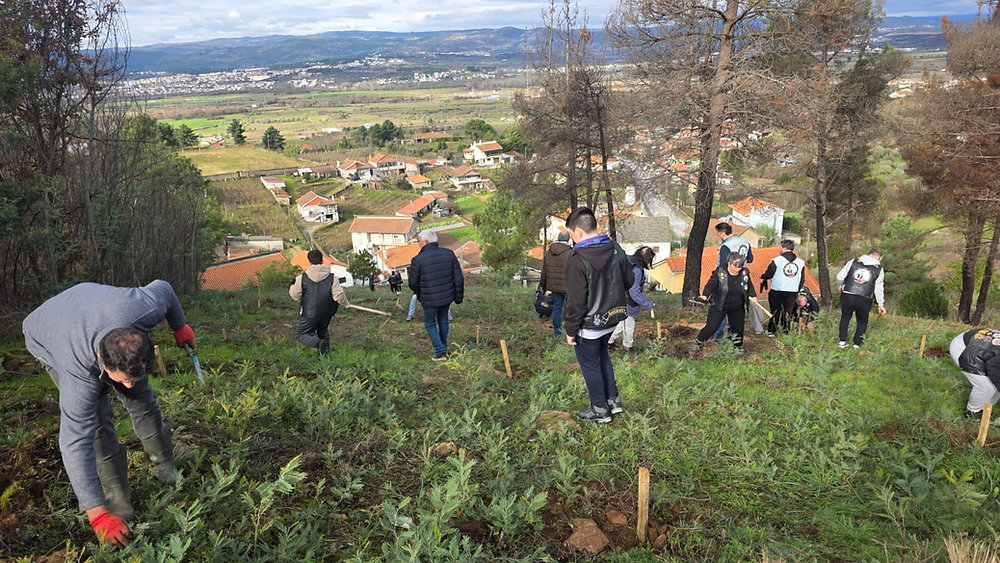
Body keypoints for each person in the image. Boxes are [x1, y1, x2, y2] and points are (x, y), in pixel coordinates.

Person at [21, 281, 195, 547]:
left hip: (94, 310)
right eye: (121, 379)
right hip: (47, 332)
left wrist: (179, 325)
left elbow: (166, 288)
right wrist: (97, 515)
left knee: (141, 397)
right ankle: (116, 499)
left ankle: (165, 466)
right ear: (103, 359)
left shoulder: (143, 308)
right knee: (98, 421)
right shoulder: (78, 372)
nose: (127, 385)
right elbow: (74, 442)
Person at [563, 207, 634, 423]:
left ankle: (600, 409)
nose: (572, 239)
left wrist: (570, 330)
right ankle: (613, 400)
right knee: (603, 356)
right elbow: (629, 280)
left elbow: (576, 301)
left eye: (571, 234)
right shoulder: (616, 249)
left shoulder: (577, 260)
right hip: (612, 318)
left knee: (590, 364)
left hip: (589, 324)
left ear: (578, 232)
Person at [408, 230, 464, 360]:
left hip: (429, 299)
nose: (418, 244)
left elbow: (413, 283)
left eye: (419, 242)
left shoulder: (418, 260)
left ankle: (440, 352)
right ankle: (443, 348)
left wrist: (421, 294)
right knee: (443, 320)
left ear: (425, 242)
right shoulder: (449, 254)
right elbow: (458, 278)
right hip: (446, 297)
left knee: (430, 324)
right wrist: (458, 297)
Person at [691, 253, 760, 355]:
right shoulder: (720, 272)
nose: (738, 269)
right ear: (729, 263)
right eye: (735, 267)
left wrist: (753, 296)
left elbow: (749, 286)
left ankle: (737, 348)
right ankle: (697, 343)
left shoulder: (744, 273)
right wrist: (705, 295)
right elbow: (711, 284)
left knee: (738, 328)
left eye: (740, 267)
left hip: (737, 306)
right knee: (712, 327)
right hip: (719, 305)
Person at [290, 249, 351, 355]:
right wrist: (346, 304)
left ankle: (318, 343)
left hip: (309, 312)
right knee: (323, 332)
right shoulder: (332, 278)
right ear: (322, 260)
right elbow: (339, 295)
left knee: (301, 335)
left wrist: (301, 297)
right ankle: (325, 356)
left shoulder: (301, 278)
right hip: (327, 313)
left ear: (309, 261)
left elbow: (294, 294)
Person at [835, 249, 886, 349]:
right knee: (862, 321)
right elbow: (878, 287)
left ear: (868, 254)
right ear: (880, 257)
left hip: (848, 294)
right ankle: (857, 344)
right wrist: (880, 303)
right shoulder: (879, 269)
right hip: (865, 297)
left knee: (845, 317)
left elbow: (840, 276)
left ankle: (842, 341)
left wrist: (840, 284)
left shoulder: (853, 262)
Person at [609, 246, 656, 352]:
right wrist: (648, 304)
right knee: (628, 324)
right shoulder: (637, 270)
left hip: (618, 297)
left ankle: (609, 341)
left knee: (620, 323)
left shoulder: (627, 261)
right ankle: (628, 347)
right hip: (628, 302)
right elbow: (634, 292)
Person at [713, 222, 754, 340]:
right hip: (742, 277)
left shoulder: (726, 246)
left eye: (718, 234)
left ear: (722, 233)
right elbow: (750, 259)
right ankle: (733, 335)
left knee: (721, 305)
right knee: (737, 308)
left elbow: (723, 265)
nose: (718, 236)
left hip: (727, 279)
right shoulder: (745, 242)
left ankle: (718, 335)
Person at [950, 328, 1000, 420]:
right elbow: (993, 367)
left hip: (981, 346)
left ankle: (985, 410)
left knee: (995, 387)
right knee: (986, 386)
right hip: (964, 347)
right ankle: (972, 413)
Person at [759, 239, 806, 336]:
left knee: (775, 310)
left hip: (777, 290)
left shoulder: (776, 261)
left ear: (784, 248)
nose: (779, 249)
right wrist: (797, 288)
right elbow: (802, 279)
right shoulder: (800, 262)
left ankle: (771, 330)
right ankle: (785, 331)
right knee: (788, 312)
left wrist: (762, 276)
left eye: (780, 247)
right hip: (792, 291)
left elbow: (770, 274)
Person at [540, 231, 573, 336]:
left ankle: (557, 332)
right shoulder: (571, 253)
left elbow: (544, 271)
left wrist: (543, 286)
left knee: (557, 307)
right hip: (569, 286)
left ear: (558, 238)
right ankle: (571, 332)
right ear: (568, 239)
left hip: (554, 287)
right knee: (572, 308)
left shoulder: (548, 252)